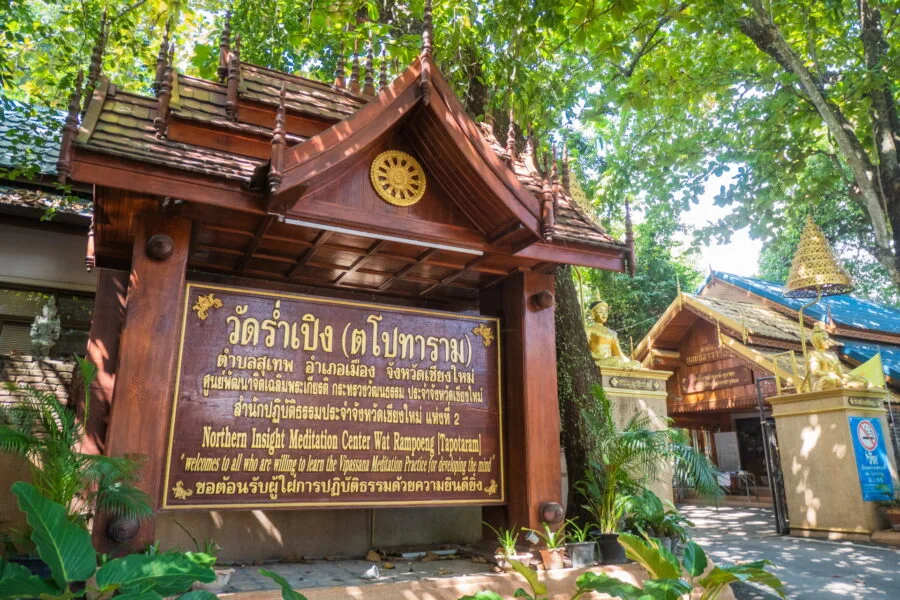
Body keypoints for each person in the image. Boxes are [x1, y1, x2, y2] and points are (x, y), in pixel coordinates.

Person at [807, 321, 869, 391]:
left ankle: (847, 387)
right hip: (827, 379)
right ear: (816, 341)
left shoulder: (832, 355)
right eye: (824, 339)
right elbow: (815, 371)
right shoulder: (814, 354)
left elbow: (840, 373)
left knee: (862, 380)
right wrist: (830, 374)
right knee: (828, 380)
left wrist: (846, 377)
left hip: (838, 378)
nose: (827, 341)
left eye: (827, 339)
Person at [585, 298, 642, 370]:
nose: (604, 314)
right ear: (593, 313)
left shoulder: (612, 333)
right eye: (600, 311)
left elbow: (619, 354)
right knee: (616, 360)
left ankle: (629, 366)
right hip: (598, 362)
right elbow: (586, 351)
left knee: (635, 363)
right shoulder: (589, 329)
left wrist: (630, 361)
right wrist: (598, 357)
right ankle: (627, 366)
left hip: (613, 360)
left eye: (606, 311)